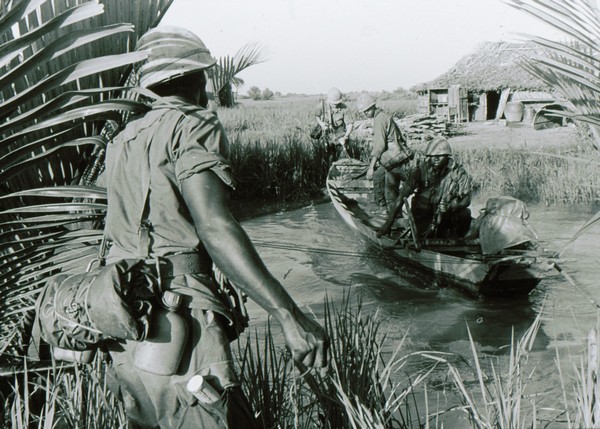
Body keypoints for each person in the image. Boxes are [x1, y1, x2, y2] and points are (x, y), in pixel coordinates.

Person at [102, 26, 329, 429]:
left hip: (125, 322)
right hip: (179, 318)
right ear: (196, 78)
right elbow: (214, 226)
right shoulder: (194, 125)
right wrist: (288, 315)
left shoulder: (123, 139)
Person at [377, 137, 472, 239]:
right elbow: (401, 197)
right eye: (432, 156)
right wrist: (389, 223)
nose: (436, 159)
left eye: (440, 156)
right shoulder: (420, 171)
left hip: (447, 215)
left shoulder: (458, 172)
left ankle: (457, 240)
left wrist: (452, 206)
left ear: (447, 157)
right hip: (423, 215)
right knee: (423, 236)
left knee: (465, 214)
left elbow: (467, 198)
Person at [357, 93, 413, 215]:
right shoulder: (382, 115)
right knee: (383, 179)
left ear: (373, 107)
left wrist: (371, 167)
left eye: (367, 110)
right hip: (398, 155)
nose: (365, 113)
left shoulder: (379, 119)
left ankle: (382, 208)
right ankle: (387, 208)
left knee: (377, 176)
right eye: (364, 111)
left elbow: (379, 146)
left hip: (395, 156)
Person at [315, 87, 354, 163]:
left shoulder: (344, 108)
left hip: (340, 135)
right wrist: (322, 124)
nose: (335, 105)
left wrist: (346, 136)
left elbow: (350, 124)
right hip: (327, 136)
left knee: (341, 158)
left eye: (337, 103)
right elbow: (317, 116)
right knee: (328, 157)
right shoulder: (322, 106)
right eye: (333, 103)